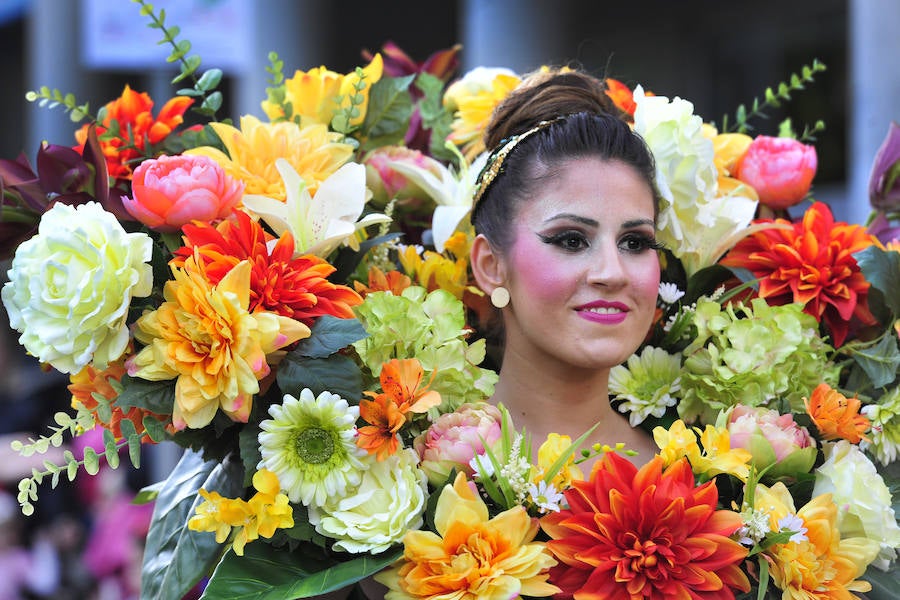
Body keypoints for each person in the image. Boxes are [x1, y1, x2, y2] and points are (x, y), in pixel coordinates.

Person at [468, 67, 663, 469]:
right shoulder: (419, 479)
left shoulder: (711, 482)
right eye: (571, 240)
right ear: (491, 266)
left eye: (635, 243)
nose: (612, 272)